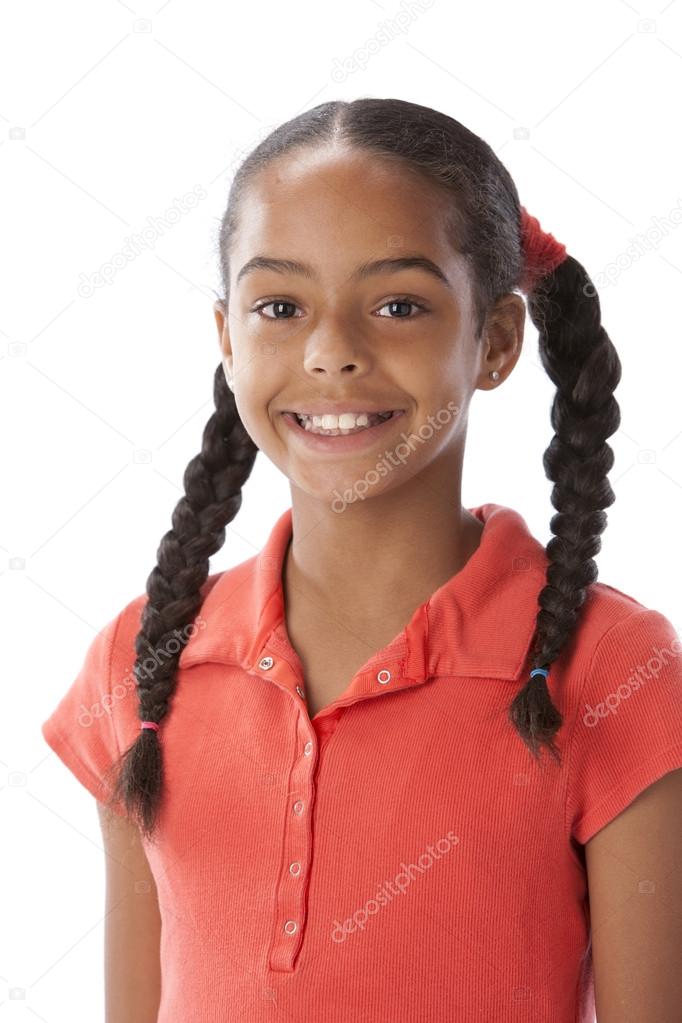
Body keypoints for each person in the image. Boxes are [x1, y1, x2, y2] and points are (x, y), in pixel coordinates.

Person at [41, 97, 682, 1023]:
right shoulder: (143, 667)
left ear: (496, 340)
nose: (332, 351)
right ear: (227, 337)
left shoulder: (614, 669)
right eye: (280, 305)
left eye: (397, 304)